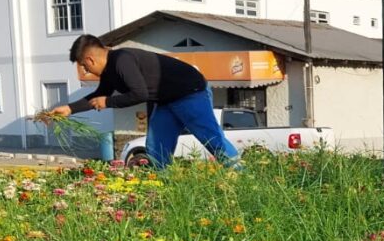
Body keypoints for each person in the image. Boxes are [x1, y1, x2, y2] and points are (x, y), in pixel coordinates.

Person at [43, 35, 239, 168]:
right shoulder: (110, 71)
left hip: (190, 92)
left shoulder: (122, 60)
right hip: (163, 102)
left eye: (84, 67)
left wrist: (109, 102)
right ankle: (162, 194)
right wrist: (69, 109)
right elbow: (100, 95)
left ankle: (241, 177)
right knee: (157, 151)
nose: (86, 71)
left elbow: (139, 94)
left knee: (212, 140)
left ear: (90, 59)